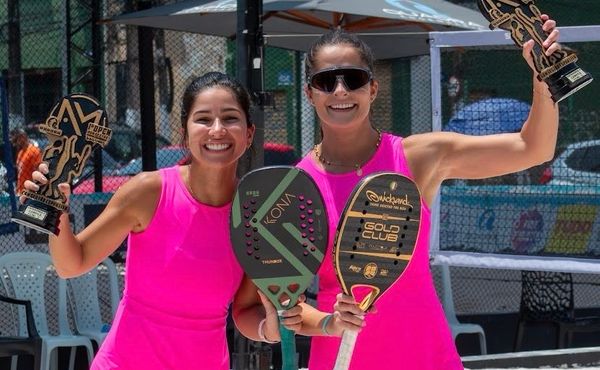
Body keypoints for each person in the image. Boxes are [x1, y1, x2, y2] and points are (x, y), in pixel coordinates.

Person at [293, 15, 560, 370]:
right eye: (326, 81)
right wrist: (329, 323)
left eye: (353, 79)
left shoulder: (419, 157)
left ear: (372, 89)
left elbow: (533, 147)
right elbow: (289, 305)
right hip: (341, 357)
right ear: (310, 93)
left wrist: (544, 78)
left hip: (423, 352)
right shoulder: (296, 185)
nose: (340, 91)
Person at [22, 72, 302, 370]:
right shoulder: (148, 191)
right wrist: (58, 214)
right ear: (185, 132)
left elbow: (245, 310)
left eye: (230, 118)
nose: (217, 130)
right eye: (204, 119)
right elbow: (70, 264)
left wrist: (269, 330)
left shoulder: (254, 216)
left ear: (249, 134)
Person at [10, 127, 42, 196]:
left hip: (30, 191)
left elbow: (37, 171)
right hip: (21, 191)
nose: (15, 143)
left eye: (16, 140)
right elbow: (20, 173)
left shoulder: (33, 151)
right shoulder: (20, 153)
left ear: (23, 137)